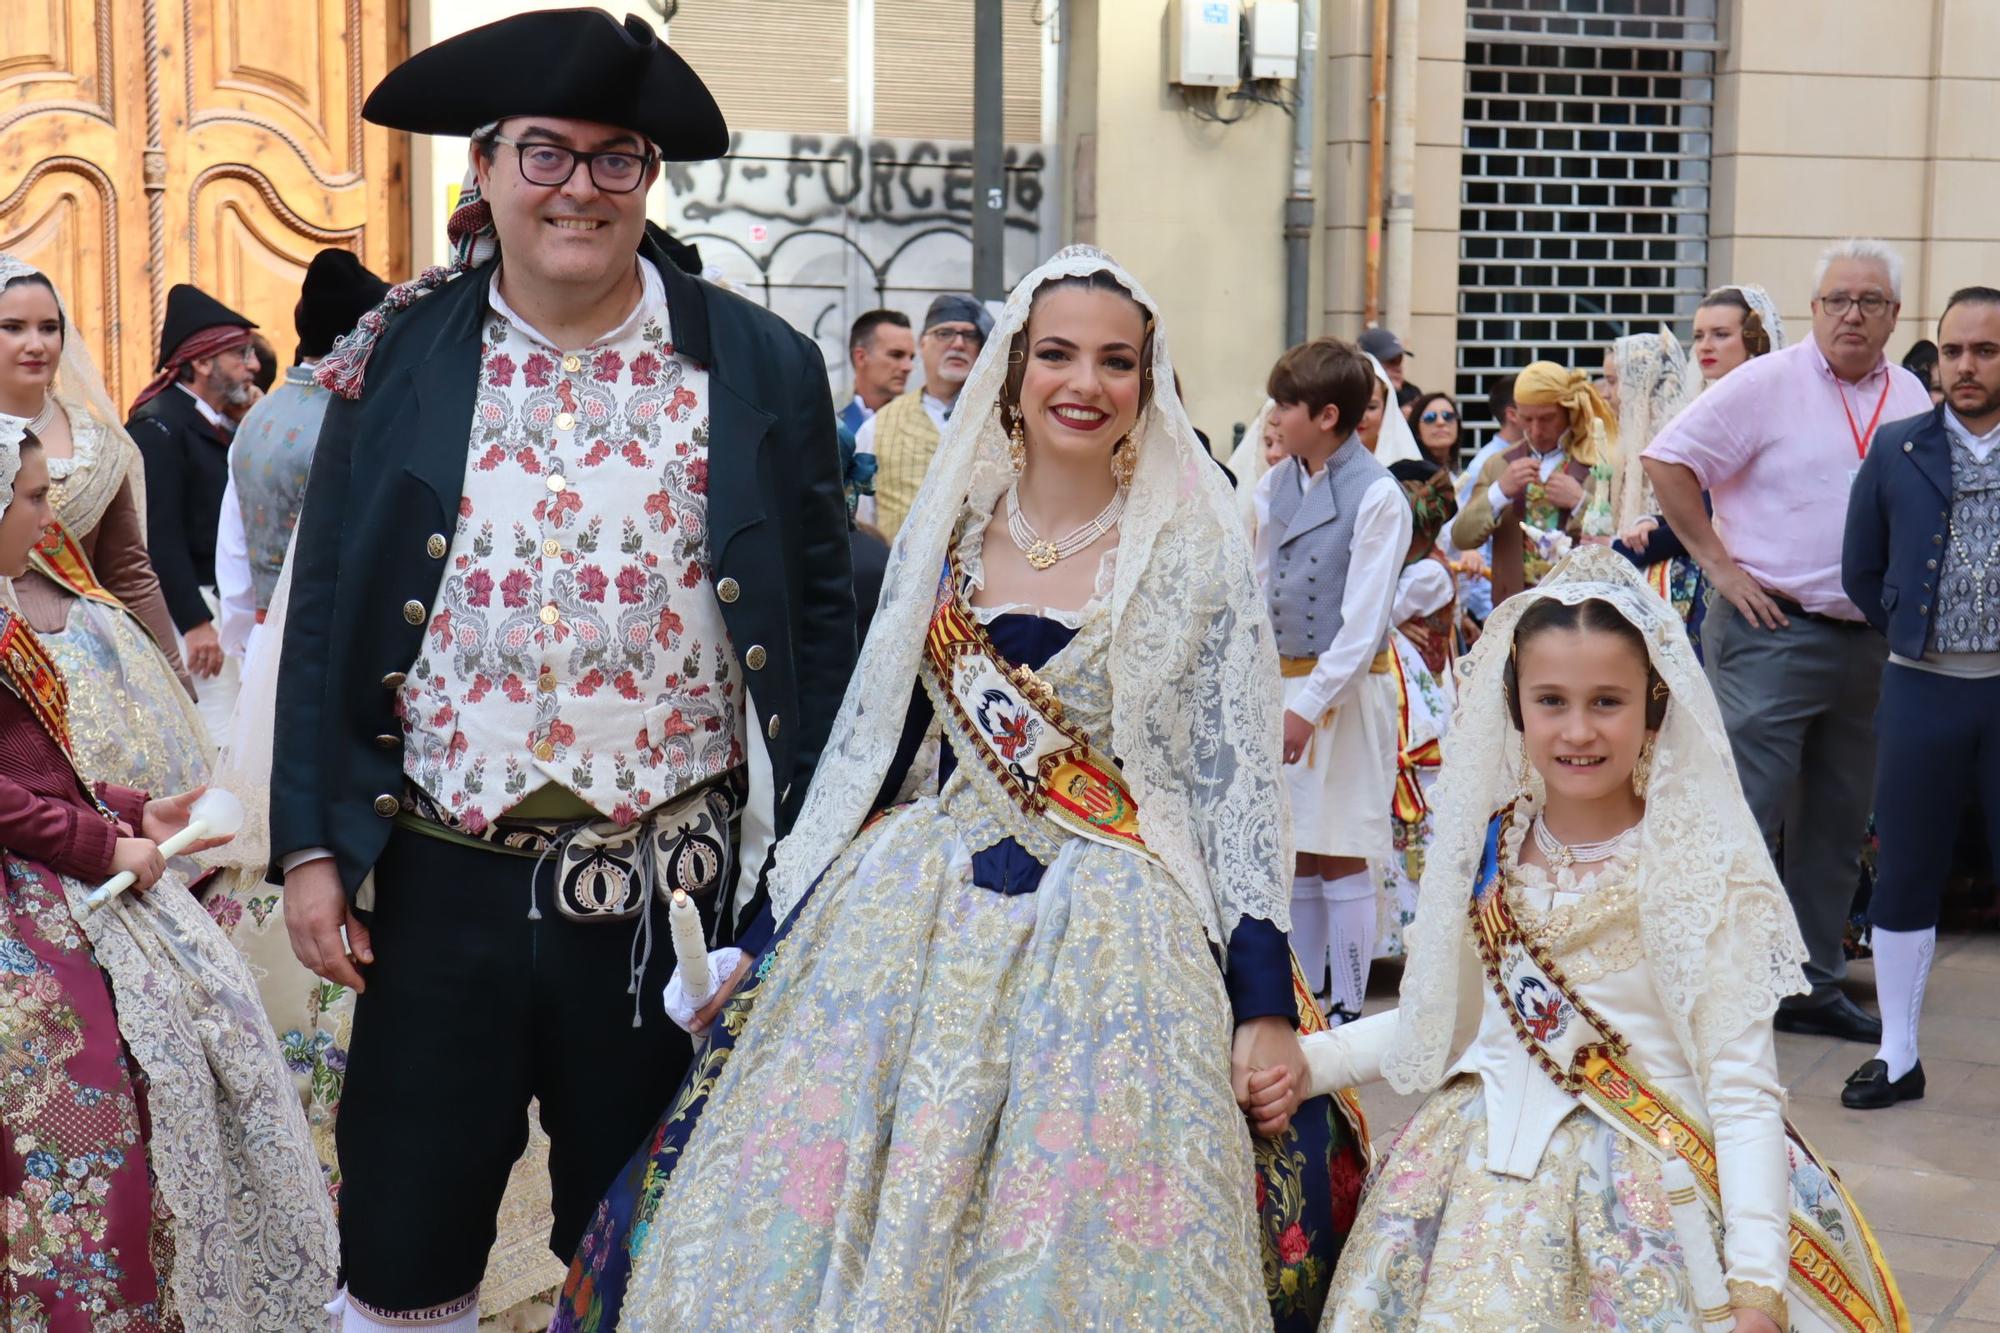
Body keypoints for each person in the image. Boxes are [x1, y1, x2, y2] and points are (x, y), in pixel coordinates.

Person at [558, 246, 1370, 1332]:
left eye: (1115, 362)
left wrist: (1262, 1002)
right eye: (1056, 355)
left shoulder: (1193, 545)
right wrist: (762, 933)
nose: (1083, 384)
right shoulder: (944, 537)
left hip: (1117, 915)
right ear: (1010, 370)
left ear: (1145, 383)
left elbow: (1231, 792)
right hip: (918, 898)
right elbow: (870, 751)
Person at [267, 13, 858, 1329]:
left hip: (671, 905)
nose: (579, 189)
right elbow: (328, 615)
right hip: (439, 896)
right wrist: (311, 847)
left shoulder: (758, 363)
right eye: (546, 154)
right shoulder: (398, 359)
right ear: (484, 169)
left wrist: (815, 866)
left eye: (616, 159)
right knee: (405, 1242)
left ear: (649, 180)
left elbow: (821, 626)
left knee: (652, 1245)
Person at [1299, 545, 1908, 1333]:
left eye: (1607, 701)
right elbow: (1436, 1023)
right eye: (1551, 699)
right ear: (1515, 707)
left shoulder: (1692, 868)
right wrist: (1306, 1063)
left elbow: (1741, 1085)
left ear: (1655, 706)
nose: (1578, 729)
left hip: (1647, 1195)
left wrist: (1757, 1284)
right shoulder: (1488, 847)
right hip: (1465, 1182)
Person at [0, 417, 337, 1329]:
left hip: (53, 868)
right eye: (33, 496)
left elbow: (35, 766)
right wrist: (99, 844)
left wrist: (123, 808)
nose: (48, 514)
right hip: (25, 904)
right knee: (77, 1099)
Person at [1645, 239, 1932, 1042]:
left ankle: (1810, 983)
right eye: (1838, 298)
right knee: (1739, 810)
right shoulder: (1764, 383)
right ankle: (1693, 983)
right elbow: (1668, 459)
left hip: (1867, 640)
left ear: (1893, 316)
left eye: (1870, 301)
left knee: (1837, 823)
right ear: (1813, 309)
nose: (1852, 313)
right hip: (1771, 629)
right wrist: (1718, 566)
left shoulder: (1910, 393)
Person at [1841, 287, 2000, 1109]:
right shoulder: (1896, 448)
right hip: (1922, 689)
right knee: (1904, 868)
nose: (1966, 366)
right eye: (1953, 350)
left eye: (1985, 350)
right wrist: (1912, 629)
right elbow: (1860, 570)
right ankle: (1898, 1054)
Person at [0, 257, 210, 798]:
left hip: (108, 673)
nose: (36, 344)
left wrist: (176, 681)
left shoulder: (99, 440)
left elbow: (129, 571)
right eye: (13, 327)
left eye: (49, 328)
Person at [1260, 336, 1413, 1022]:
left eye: (1287, 403)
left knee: (1341, 845)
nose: (1275, 414)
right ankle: (1303, 997)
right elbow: (1257, 587)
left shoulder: (1378, 495)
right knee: (1295, 848)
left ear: (1326, 415)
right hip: (1281, 685)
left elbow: (1365, 623)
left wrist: (1311, 703)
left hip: (1347, 692)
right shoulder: (1275, 482)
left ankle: (1348, 1001)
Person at [222, 248, 390, 672]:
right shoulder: (356, 424)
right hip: (334, 652)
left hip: (262, 644)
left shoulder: (256, 416)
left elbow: (234, 551)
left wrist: (245, 643)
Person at [1618, 286, 1786, 661]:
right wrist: (1651, 522)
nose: (1705, 346)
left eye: (1721, 335)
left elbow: (1716, 505)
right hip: (1708, 577)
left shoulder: (1770, 409)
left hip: (1758, 577)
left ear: (1755, 338)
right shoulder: (1704, 407)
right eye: (1698, 336)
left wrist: (1634, 547)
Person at [125, 283, 260, 746]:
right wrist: (194, 622)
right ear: (202, 362)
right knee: (213, 741)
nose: (253, 366)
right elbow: (158, 536)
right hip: (196, 616)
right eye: (240, 354)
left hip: (223, 608)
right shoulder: (159, 425)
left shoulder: (216, 421)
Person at [1373, 457, 1457, 959]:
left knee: (1418, 802)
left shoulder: (1428, 572)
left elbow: (1378, 611)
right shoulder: (1415, 569)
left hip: (1419, 695)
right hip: (1402, 683)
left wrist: (1389, 624)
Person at [1450, 361, 1617, 602]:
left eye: (1547, 418)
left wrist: (1580, 502)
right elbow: (1462, 536)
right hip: (1515, 609)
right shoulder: (1499, 464)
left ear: (1568, 411)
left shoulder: (1596, 462)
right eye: (1526, 419)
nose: (1536, 430)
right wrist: (1499, 492)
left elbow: (1621, 536)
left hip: (1580, 608)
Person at [854, 293, 989, 539]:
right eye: (944, 333)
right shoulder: (876, 428)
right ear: (922, 344)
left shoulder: (1003, 421)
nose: (958, 344)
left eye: (970, 335)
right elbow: (863, 520)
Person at [838, 307, 914, 434]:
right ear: (861, 357)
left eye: (911, 357)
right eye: (896, 355)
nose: (908, 367)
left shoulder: (919, 426)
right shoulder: (828, 423)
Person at [1409, 389, 1461, 470]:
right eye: (1430, 417)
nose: (1441, 422)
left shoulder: (1455, 471)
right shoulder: (1409, 476)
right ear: (1417, 431)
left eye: (1448, 416)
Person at [1359, 325, 1415, 393]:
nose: (1399, 369)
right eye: (1391, 360)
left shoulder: (1413, 396)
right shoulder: (1351, 399)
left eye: (1399, 360)